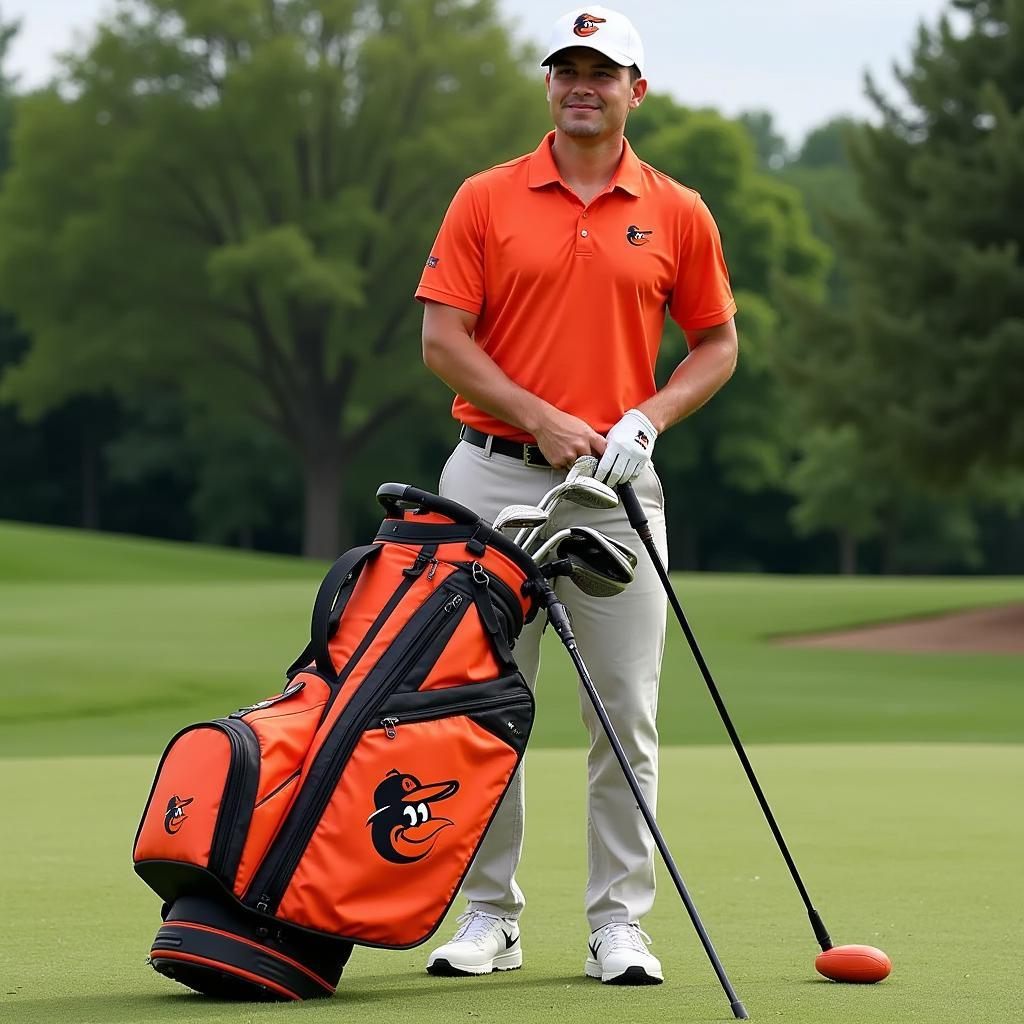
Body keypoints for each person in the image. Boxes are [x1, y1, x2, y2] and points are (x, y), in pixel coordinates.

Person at [414, 4, 738, 986]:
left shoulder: (676, 208)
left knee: (624, 712)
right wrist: (542, 414)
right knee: (478, 705)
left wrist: (649, 416)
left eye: (604, 70)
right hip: (488, 474)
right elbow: (442, 340)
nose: (583, 83)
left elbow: (716, 344)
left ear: (637, 91)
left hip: (613, 489)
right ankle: (487, 915)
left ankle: (617, 923)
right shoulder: (486, 197)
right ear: (549, 85)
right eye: (568, 68)